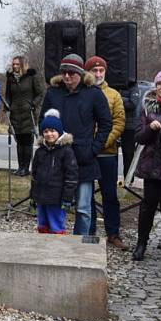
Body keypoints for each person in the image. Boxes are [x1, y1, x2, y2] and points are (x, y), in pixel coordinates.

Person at [40, 54, 112, 236]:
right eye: (64, 73)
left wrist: (94, 149)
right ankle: (56, 242)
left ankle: (80, 245)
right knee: (54, 204)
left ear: (80, 73)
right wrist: (47, 142)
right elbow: (43, 120)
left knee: (83, 208)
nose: (67, 77)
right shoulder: (53, 93)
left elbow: (106, 124)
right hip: (56, 157)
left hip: (83, 157)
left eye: (71, 73)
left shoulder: (94, 93)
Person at [85, 56, 128, 249]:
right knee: (86, 195)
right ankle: (90, 230)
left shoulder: (114, 95)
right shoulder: (82, 93)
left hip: (107, 153)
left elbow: (119, 122)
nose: (98, 74)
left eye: (101, 71)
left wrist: (102, 142)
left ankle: (113, 233)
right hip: (86, 154)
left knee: (110, 195)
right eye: (95, 71)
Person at [131, 70, 161, 263]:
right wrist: (150, 128)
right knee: (148, 206)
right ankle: (141, 244)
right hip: (152, 166)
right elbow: (138, 137)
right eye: (159, 84)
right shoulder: (147, 108)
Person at [30, 110, 78, 234]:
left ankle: (57, 249)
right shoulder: (40, 152)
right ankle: (43, 247)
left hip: (57, 198)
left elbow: (71, 176)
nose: (49, 134)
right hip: (41, 196)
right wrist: (33, 195)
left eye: (52, 131)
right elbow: (34, 175)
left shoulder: (66, 152)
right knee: (42, 224)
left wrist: (67, 198)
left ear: (59, 132)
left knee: (56, 225)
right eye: (45, 131)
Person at [5, 55, 45, 176]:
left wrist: (33, 104)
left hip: (29, 114)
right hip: (15, 114)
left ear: (22, 65)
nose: (15, 66)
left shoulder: (32, 76)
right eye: (14, 64)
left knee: (27, 142)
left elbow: (41, 93)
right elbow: (8, 95)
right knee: (19, 141)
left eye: (17, 64)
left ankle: (26, 168)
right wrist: (7, 105)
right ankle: (20, 167)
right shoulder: (11, 78)